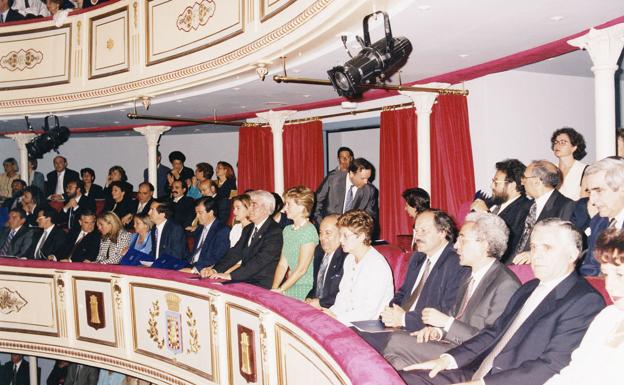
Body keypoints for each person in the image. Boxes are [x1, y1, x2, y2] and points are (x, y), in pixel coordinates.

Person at [401, 218, 605, 385]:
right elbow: (492, 333)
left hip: (507, 380)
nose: (537, 255)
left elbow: (552, 365)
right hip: (477, 370)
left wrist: (483, 384)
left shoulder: (584, 301)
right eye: (533, 247)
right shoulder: (529, 287)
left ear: (572, 254)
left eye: (547, 248)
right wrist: (447, 359)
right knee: (403, 379)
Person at [382, 213, 521, 370]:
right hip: (451, 344)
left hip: (472, 357)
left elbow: (491, 341)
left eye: (462, 240)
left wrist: (446, 323)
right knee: (396, 360)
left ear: (485, 245)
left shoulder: (505, 284)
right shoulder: (468, 275)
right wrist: (437, 331)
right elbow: (455, 316)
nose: (455, 246)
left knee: (395, 342)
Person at [359, 209, 468, 353]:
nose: (417, 236)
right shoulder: (417, 258)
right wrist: (391, 311)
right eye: (416, 230)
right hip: (399, 325)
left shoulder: (456, 262)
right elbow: (403, 293)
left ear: (442, 232)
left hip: (423, 332)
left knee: (363, 345)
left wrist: (404, 318)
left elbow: (446, 309)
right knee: (353, 333)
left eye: (424, 230)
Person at [544, 227, 624, 385]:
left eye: (620, 274)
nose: (610, 286)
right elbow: (573, 372)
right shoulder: (608, 316)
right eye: (606, 274)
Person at [323, 210, 393, 323]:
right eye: (340, 235)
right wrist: (330, 314)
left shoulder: (377, 265)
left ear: (361, 237)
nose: (341, 240)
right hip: (347, 321)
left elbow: (368, 312)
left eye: (345, 235)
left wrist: (337, 319)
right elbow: (343, 297)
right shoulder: (350, 259)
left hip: (370, 327)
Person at [205, 190, 283, 289]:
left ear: (266, 208)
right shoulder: (249, 228)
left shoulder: (274, 232)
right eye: (249, 205)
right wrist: (215, 270)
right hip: (246, 280)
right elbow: (235, 253)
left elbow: (260, 261)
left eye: (254, 205)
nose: (249, 209)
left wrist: (231, 276)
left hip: (262, 284)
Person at [512, 159, 575, 264]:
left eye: (524, 178)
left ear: (536, 181)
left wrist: (534, 253)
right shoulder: (525, 206)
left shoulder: (565, 206)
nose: (522, 182)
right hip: (515, 264)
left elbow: (564, 243)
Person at [471, 159, 533, 264]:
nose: (491, 186)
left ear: (512, 185)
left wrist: (486, 214)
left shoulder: (525, 209)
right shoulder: (492, 204)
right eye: (492, 181)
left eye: (496, 182)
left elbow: (508, 246)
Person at [271, 186, 319, 300]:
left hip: (305, 287)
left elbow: (302, 270)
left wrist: (281, 289)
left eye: (289, 204)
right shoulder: (287, 230)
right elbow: (282, 265)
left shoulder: (309, 230)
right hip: (291, 283)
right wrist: (273, 289)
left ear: (301, 207)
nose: (284, 208)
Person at [313, 157, 379, 237]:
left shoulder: (369, 190)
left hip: (351, 236)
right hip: (328, 233)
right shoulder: (332, 180)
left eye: (368, 178)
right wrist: (324, 228)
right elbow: (316, 205)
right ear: (351, 173)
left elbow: (370, 219)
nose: (366, 182)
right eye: (362, 178)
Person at [580, 157, 624, 276]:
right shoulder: (598, 221)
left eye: (599, 191)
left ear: (622, 189)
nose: (592, 200)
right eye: (590, 192)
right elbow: (590, 268)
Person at [180, 197, 230, 275]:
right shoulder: (200, 228)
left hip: (204, 270)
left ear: (211, 212)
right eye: (196, 213)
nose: (197, 216)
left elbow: (217, 257)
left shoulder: (222, 230)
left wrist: (194, 270)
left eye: (200, 213)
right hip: (190, 265)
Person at [305, 214, 347, 309]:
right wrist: (309, 297)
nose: (322, 238)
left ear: (341, 234)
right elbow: (317, 286)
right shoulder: (319, 251)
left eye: (328, 233)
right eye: (321, 233)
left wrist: (321, 303)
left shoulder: (346, 257)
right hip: (316, 308)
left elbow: (343, 295)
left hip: (333, 310)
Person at [551, 127, 588, 201]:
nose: (558, 145)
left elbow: (584, 202)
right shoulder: (550, 169)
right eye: (556, 142)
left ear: (574, 147)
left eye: (563, 142)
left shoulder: (585, 170)